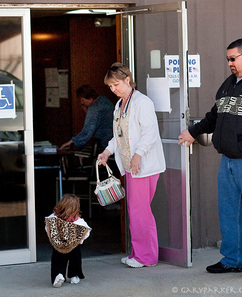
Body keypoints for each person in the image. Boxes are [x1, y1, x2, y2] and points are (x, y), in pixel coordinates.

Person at [178, 38, 242, 278]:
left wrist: (241, 148)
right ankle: (234, 259)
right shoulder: (229, 84)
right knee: (230, 212)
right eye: (228, 59)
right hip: (230, 160)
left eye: (233, 59)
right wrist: (193, 132)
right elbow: (214, 116)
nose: (230, 63)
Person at [97, 62, 166, 268]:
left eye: (116, 84)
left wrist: (138, 155)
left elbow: (150, 132)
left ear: (128, 80)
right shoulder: (119, 105)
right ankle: (138, 253)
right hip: (129, 166)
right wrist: (107, 152)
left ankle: (146, 257)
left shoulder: (142, 102)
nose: (113, 89)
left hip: (143, 166)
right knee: (136, 211)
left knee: (140, 211)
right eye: (110, 86)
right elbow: (118, 135)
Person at [45, 194, 91, 288]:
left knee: (57, 260)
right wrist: (79, 241)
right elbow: (86, 231)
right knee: (75, 260)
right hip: (73, 245)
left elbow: (48, 227)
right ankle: (74, 275)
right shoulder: (78, 221)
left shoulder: (54, 217)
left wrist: (53, 239)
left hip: (58, 245)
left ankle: (58, 275)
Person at [60, 84, 114, 151]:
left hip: (104, 143)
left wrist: (71, 142)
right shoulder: (104, 100)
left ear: (89, 97)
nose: (81, 103)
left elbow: (87, 131)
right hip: (113, 141)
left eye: (82, 100)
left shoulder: (94, 108)